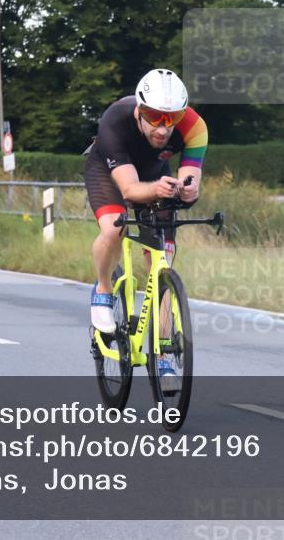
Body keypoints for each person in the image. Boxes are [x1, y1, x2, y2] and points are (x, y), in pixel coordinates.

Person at [83, 69, 208, 386]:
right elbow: (129, 190)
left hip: (154, 174)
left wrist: (188, 189)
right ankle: (103, 290)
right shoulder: (115, 120)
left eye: (172, 118)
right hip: (109, 173)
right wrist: (156, 189)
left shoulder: (195, 127)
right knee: (114, 229)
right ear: (139, 110)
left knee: (163, 261)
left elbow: (191, 177)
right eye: (154, 117)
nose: (163, 128)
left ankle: (163, 354)